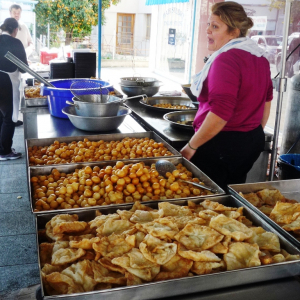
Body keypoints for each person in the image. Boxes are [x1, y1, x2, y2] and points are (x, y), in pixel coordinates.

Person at [180, 2, 273, 191]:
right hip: (250, 141)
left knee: (208, 200)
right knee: (231, 194)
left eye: (215, 26)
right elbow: (267, 100)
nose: (207, 31)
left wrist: (191, 146)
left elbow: (221, 112)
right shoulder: (259, 56)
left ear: (234, 32)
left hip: (221, 145)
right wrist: (252, 132)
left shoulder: (226, 59)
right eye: (208, 25)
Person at [0, 18, 28, 160]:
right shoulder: (15, 42)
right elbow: (23, 68)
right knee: (9, 117)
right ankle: (5, 152)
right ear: (15, 30)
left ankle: (1, 147)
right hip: (6, 81)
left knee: (0, 115)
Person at [10, 4, 34, 127]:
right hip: (6, 68)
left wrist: (27, 53)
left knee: (17, 92)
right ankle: (9, 118)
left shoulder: (23, 26)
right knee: (9, 93)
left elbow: (30, 42)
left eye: (18, 12)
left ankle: (15, 117)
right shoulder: (6, 27)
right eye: (14, 12)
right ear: (10, 13)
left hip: (20, 66)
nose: (16, 14)